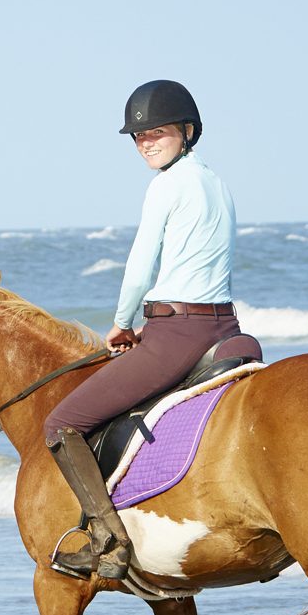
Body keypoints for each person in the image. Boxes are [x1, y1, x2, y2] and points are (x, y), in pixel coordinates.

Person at [41, 79, 245, 581]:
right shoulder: (217, 182)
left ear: (188, 131)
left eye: (157, 132)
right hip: (225, 328)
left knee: (60, 424)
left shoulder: (166, 185)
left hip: (177, 333)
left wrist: (121, 323)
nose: (146, 143)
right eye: (138, 137)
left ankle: (107, 540)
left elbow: (141, 263)